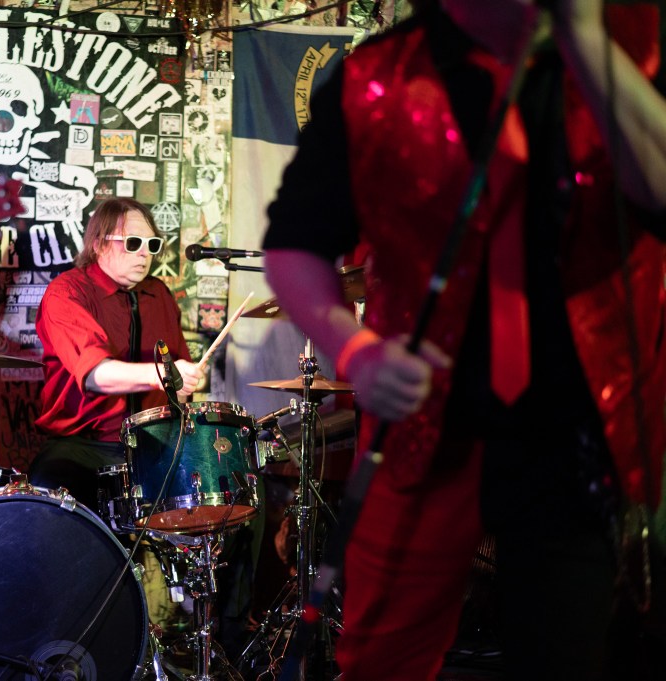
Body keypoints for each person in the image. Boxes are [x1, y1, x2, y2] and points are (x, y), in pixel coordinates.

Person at [264, 1, 666, 680]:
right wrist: (356, 351)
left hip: (582, 431)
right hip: (421, 427)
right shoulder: (377, 75)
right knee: (381, 659)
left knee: (573, 654)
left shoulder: (636, 43)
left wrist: (584, 39)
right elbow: (294, 246)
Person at [32, 197, 203, 511]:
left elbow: (179, 387)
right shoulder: (68, 292)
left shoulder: (159, 295)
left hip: (155, 443)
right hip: (83, 447)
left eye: (152, 245)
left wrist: (184, 386)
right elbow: (96, 374)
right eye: (133, 242)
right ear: (99, 244)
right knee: (52, 498)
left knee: (230, 493)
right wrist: (162, 375)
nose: (144, 253)